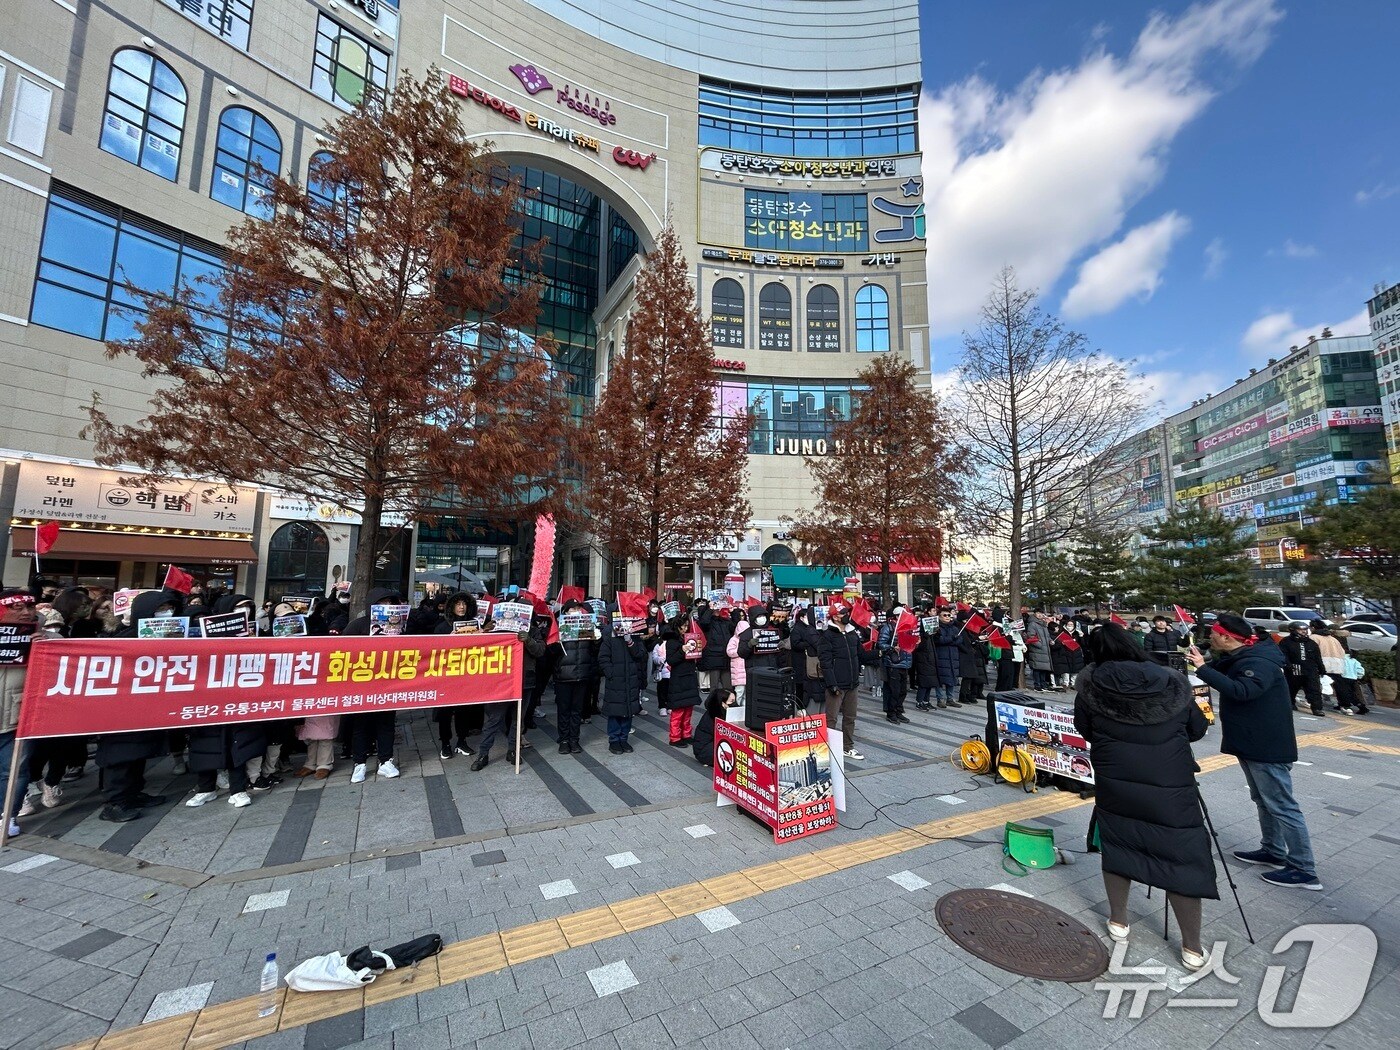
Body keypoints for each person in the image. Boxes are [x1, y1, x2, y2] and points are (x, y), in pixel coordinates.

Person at [1074, 623, 1216, 971]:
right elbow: (1197, 728)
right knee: (1181, 855)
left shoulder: (1091, 684)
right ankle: (1192, 947)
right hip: (1170, 781)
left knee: (1119, 843)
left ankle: (1119, 921)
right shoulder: (1171, 680)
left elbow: (1084, 727)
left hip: (1116, 777)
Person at [1187, 615, 1321, 891]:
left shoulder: (1257, 661)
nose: (1210, 637)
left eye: (1214, 634)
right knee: (1263, 799)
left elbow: (1242, 690)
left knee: (1282, 805)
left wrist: (1202, 668)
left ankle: (1303, 869)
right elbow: (1225, 670)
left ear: (1226, 637)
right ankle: (1272, 849)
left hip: (1266, 745)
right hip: (1252, 741)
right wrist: (1205, 662)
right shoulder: (1244, 655)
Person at [95, 590, 176, 822]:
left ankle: (133, 793)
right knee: (121, 755)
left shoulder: (170, 639)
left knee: (139, 754)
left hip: (148, 706)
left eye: (169, 609)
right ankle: (115, 802)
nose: (166, 614)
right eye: (160, 610)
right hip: (121, 710)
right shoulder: (123, 638)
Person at [344, 587, 404, 782]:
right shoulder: (357, 626)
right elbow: (341, 651)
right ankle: (359, 763)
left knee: (386, 724)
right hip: (362, 685)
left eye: (390, 603)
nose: (386, 607)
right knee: (361, 725)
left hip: (389, 684)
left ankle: (385, 760)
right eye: (382, 603)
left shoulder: (401, 627)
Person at [432, 591, 486, 759]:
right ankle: (445, 743)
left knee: (464, 710)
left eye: (465, 604)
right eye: (458, 604)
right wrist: (448, 640)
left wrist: (482, 636)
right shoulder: (442, 626)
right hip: (446, 676)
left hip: (467, 674)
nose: (462, 607)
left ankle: (462, 741)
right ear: (451, 606)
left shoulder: (474, 625)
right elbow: (433, 650)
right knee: (445, 712)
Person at [816, 600, 866, 762]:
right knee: (831, 718)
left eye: (846, 612)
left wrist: (881, 653)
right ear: (835, 617)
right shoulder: (827, 636)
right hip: (837, 684)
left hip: (853, 683)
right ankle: (827, 749)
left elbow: (861, 654)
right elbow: (825, 662)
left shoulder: (852, 633)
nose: (847, 615)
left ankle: (847, 747)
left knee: (850, 717)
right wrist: (832, 684)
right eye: (843, 613)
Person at [552, 598, 599, 754]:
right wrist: (557, 642)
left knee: (576, 710)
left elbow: (593, 652)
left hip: (582, 674)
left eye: (579, 609)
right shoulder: (558, 627)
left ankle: (574, 740)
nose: (576, 612)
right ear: (566, 612)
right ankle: (564, 740)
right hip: (563, 676)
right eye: (573, 609)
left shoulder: (586, 627)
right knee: (564, 709)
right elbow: (550, 651)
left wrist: (597, 638)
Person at [597, 614, 647, 755]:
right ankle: (614, 740)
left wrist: (630, 641)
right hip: (616, 680)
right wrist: (610, 673)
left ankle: (624, 738)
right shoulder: (609, 636)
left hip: (631, 679)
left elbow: (641, 655)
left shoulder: (635, 636)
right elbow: (603, 658)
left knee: (628, 711)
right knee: (615, 711)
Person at [662, 614, 701, 745]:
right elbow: (671, 660)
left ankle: (686, 733)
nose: (685, 628)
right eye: (682, 626)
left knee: (688, 709)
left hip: (689, 676)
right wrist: (682, 650)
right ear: (677, 627)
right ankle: (675, 737)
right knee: (678, 710)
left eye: (686, 626)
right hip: (678, 678)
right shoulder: (672, 641)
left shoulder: (689, 637)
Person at [1278, 622, 1325, 717]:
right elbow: (1283, 654)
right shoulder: (1286, 641)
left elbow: (1317, 657)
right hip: (1294, 669)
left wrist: (1321, 668)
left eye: (1305, 630)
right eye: (1300, 630)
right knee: (1291, 687)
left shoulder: (1311, 643)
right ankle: (1290, 703)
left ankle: (1317, 708)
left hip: (1310, 669)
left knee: (1314, 689)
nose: (1303, 632)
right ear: (1293, 630)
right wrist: (1288, 665)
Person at [1309, 623, 1357, 715]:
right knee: (1339, 685)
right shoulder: (1333, 639)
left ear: (1313, 628)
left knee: (1314, 683)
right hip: (1337, 663)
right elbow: (1342, 652)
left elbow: (1312, 651)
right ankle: (1346, 706)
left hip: (1322, 662)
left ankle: (1314, 703)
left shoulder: (1314, 637)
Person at [877, 610, 912, 724]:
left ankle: (898, 710)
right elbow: (881, 644)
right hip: (893, 663)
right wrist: (892, 647)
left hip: (905, 662)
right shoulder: (888, 628)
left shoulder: (907, 628)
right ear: (895, 617)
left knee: (903, 690)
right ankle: (891, 713)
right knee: (894, 690)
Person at [1022, 614, 1053, 690]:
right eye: (1038, 613)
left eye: (1041, 613)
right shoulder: (1032, 624)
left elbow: (1047, 636)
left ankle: (1043, 683)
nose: (1040, 615)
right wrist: (1040, 645)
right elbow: (1031, 636)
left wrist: (1050, 641)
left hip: (1045, 649)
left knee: (1043, 668)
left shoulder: (1044, 624)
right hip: (1037, 649)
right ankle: (1037, 684)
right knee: (1037, 668)